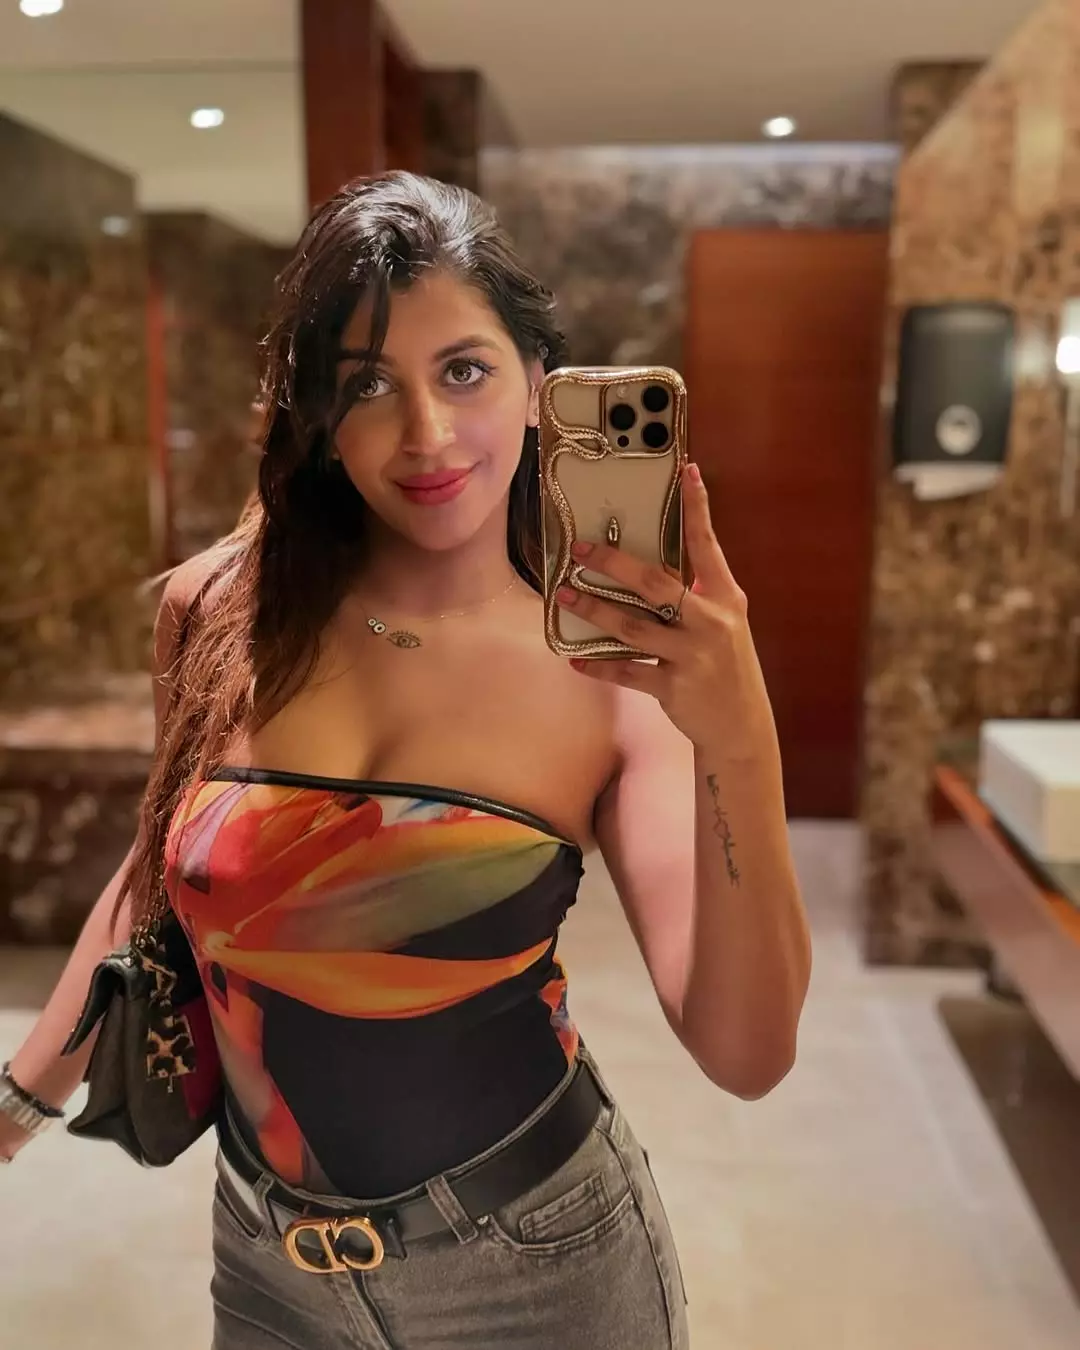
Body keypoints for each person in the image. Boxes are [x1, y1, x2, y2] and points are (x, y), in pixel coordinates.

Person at [0, 173, 812, 1349]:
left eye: (465, 371)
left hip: (537, 1269)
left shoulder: (613, 678)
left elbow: (746, 1053)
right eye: (369, 384)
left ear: (539, 386)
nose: (426, 433)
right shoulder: (220, 612)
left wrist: (740, 736)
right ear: (320, 416)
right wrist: (18, 1103)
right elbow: (156, 877)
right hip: (265, 1264)